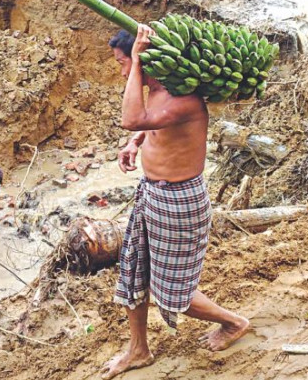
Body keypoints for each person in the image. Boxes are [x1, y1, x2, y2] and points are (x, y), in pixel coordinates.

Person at [102, 27, 250, 380]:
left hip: (179, 201)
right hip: (151, 193)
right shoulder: (158, 92)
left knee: (172, 291)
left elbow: (131, 118)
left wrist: (136, 62)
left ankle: (233, 322)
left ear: (146, 60)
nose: (123, 72)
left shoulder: (185, 101)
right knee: (134, 273)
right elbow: (142, 125)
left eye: (124, 64)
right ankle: (138, 350)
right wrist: (135, 144)